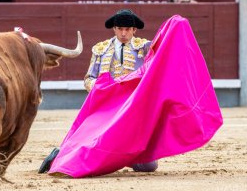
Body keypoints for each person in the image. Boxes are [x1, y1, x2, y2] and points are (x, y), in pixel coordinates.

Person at [39, 9, 158, 174]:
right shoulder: (100, 49)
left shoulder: (146, 48)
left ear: (134, 30)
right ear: (114, 29)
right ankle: (61, 155)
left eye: (127, 29)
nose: (123, 33)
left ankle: (117, 158)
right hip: (106, 107)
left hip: (132, 107)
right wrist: (102, 89)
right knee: (94, 145)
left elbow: (164, 59)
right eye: (120, 29)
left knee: (148, 166)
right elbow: (88, 79)